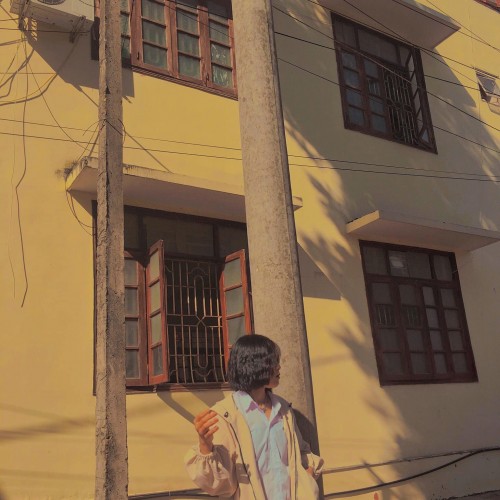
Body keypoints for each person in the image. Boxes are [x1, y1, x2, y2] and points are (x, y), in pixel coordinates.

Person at [184, 334, 323, 499]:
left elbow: (300, 451)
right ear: (254, 365)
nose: (279, 367)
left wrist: (308, 472)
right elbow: (220, 485)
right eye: (272, 362)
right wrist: (205, 447)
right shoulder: (226, 415)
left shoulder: (283, 409)